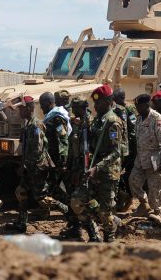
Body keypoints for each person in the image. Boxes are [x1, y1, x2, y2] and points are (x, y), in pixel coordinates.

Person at [69, 85, 125, 242]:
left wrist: (97, 167)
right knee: (77, 202)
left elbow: (116, 152)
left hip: (107, 172)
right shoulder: (97, 121)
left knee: (105, 212)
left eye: (98, 103)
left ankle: (110, 239)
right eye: (95, 103)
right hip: (93, 170)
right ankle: (94, 234)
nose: (95, 106)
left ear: (108, 101)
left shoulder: (113, 121)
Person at [7, 96, 68, 233]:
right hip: (30, 167)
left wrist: (25, 166)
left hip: (37, 168)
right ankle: (22, 223)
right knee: (20, 192)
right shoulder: (29, 124)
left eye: (22, 109)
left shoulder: (36, 125)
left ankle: (69, 213)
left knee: (42, 197)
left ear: (29, 109)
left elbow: (37, 151)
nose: (19, 112)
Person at [129, 94, 161, 216]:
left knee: (155, 187)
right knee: (133, 181)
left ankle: (157, 213)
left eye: (139, 106)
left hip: (154, 158)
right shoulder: (139, 119)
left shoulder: (157, 118)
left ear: (146, 105)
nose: (137, 109)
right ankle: (144, 204)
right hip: (141, 157)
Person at [66, 96, 97, 241]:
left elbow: (91, 150)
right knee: (72, 199)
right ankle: (76, 229)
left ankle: (94, 233)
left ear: (81, 108)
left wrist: (82, 170)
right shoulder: (79, 123)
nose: (72, 110)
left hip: (85, 169)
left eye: (74, 107)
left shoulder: (90, 124)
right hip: (75, 168)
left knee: (81, 201)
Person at [112, 88, 137, 212]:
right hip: (122, 147)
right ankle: (123, 198)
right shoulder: (116, 110)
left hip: (129, 148)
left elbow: (132, 129)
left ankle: (128, 199)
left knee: (126, 175)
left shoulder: (129, 109)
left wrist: (131, 147)